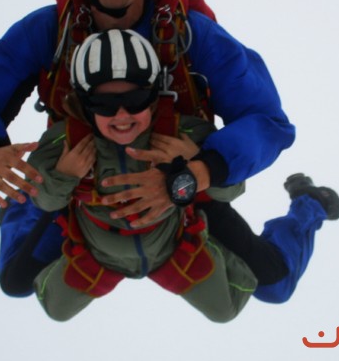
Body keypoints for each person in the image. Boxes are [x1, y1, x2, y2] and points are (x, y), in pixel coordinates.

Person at [0, 0, 296, 295]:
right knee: (16, 280)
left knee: (274, 283)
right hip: (84, 181)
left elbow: (267, 120)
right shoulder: (49, 30)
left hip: (180, 178)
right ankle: (20, 209)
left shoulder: (191, 35)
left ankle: (309, 203)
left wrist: (195, 174)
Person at [29, 28, 258, 322]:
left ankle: (216, 241)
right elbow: (42, 200)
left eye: (136, 99)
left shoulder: (180, 132)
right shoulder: (68, 141)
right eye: (104, 104)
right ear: (85, 103)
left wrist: (198, 165)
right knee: (55, 309)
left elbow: (233, 189)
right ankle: (15, 226)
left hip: (170, 246)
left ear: (152, 97)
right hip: (98, 253)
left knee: (225, 309)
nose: (122, 116)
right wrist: (63, 175)